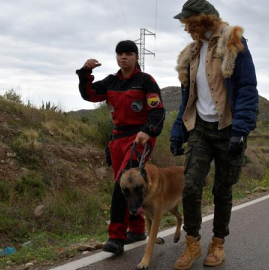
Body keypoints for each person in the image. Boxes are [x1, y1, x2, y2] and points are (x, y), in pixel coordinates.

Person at [170, 0, 258, 268]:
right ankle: (193, 243)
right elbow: (188, 98)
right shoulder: (192, 52)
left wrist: (240, 131)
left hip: (228, 128)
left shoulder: (233, 43)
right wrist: (177, 131)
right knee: (191, 186)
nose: (185, 28)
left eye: (188, 22)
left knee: (222, 189)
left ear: (201, 20)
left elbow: (246, 87)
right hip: (200, 129)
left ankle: (217, 244)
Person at [76, 40, 165, 254]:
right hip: (117, 139)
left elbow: (158, 111)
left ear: (135, 57)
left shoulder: (145, 81)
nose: (123, 57)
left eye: (128, 54)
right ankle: (136, 229)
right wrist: (85, 73)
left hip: (139, 139)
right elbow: (89, 94)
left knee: (121, 183)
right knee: (127, 184)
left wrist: (147, 131)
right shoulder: (111, 82)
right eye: (119, 54)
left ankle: (116, 236)